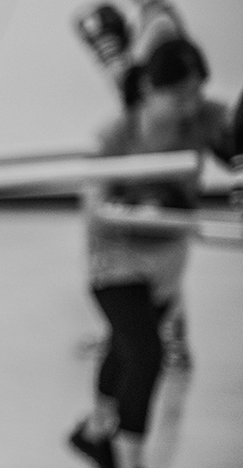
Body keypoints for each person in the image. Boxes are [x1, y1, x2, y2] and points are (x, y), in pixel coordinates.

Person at [69, 38, 239, 468]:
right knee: (147, 354)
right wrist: (137, 211)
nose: (190, 105)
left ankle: (96, 431)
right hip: (115, 262)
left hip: (167, 264)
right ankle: (130, 459)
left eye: (196, 93)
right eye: (178, 95)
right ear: (148, 89)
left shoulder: (204, 118)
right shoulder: (116, 134)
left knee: (124, 348)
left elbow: (235, 139)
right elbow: (93, 210)